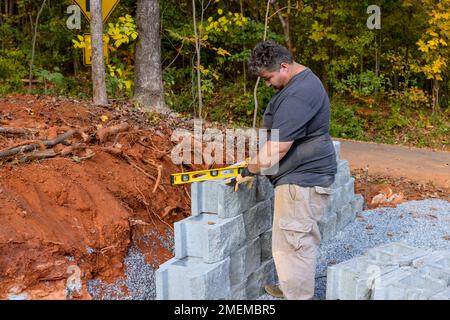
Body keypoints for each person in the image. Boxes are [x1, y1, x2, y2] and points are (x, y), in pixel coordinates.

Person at [240, 40, 337, 300]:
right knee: (293, 242)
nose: (268, 84)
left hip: (302, 182)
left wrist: (250, 167)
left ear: (284, 66)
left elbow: (276, 150)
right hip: (304, 177)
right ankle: (291, 287)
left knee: (293, 246)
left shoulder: (299, 94)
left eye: (269, 77)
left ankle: (298, 295)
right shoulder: (302, 83)